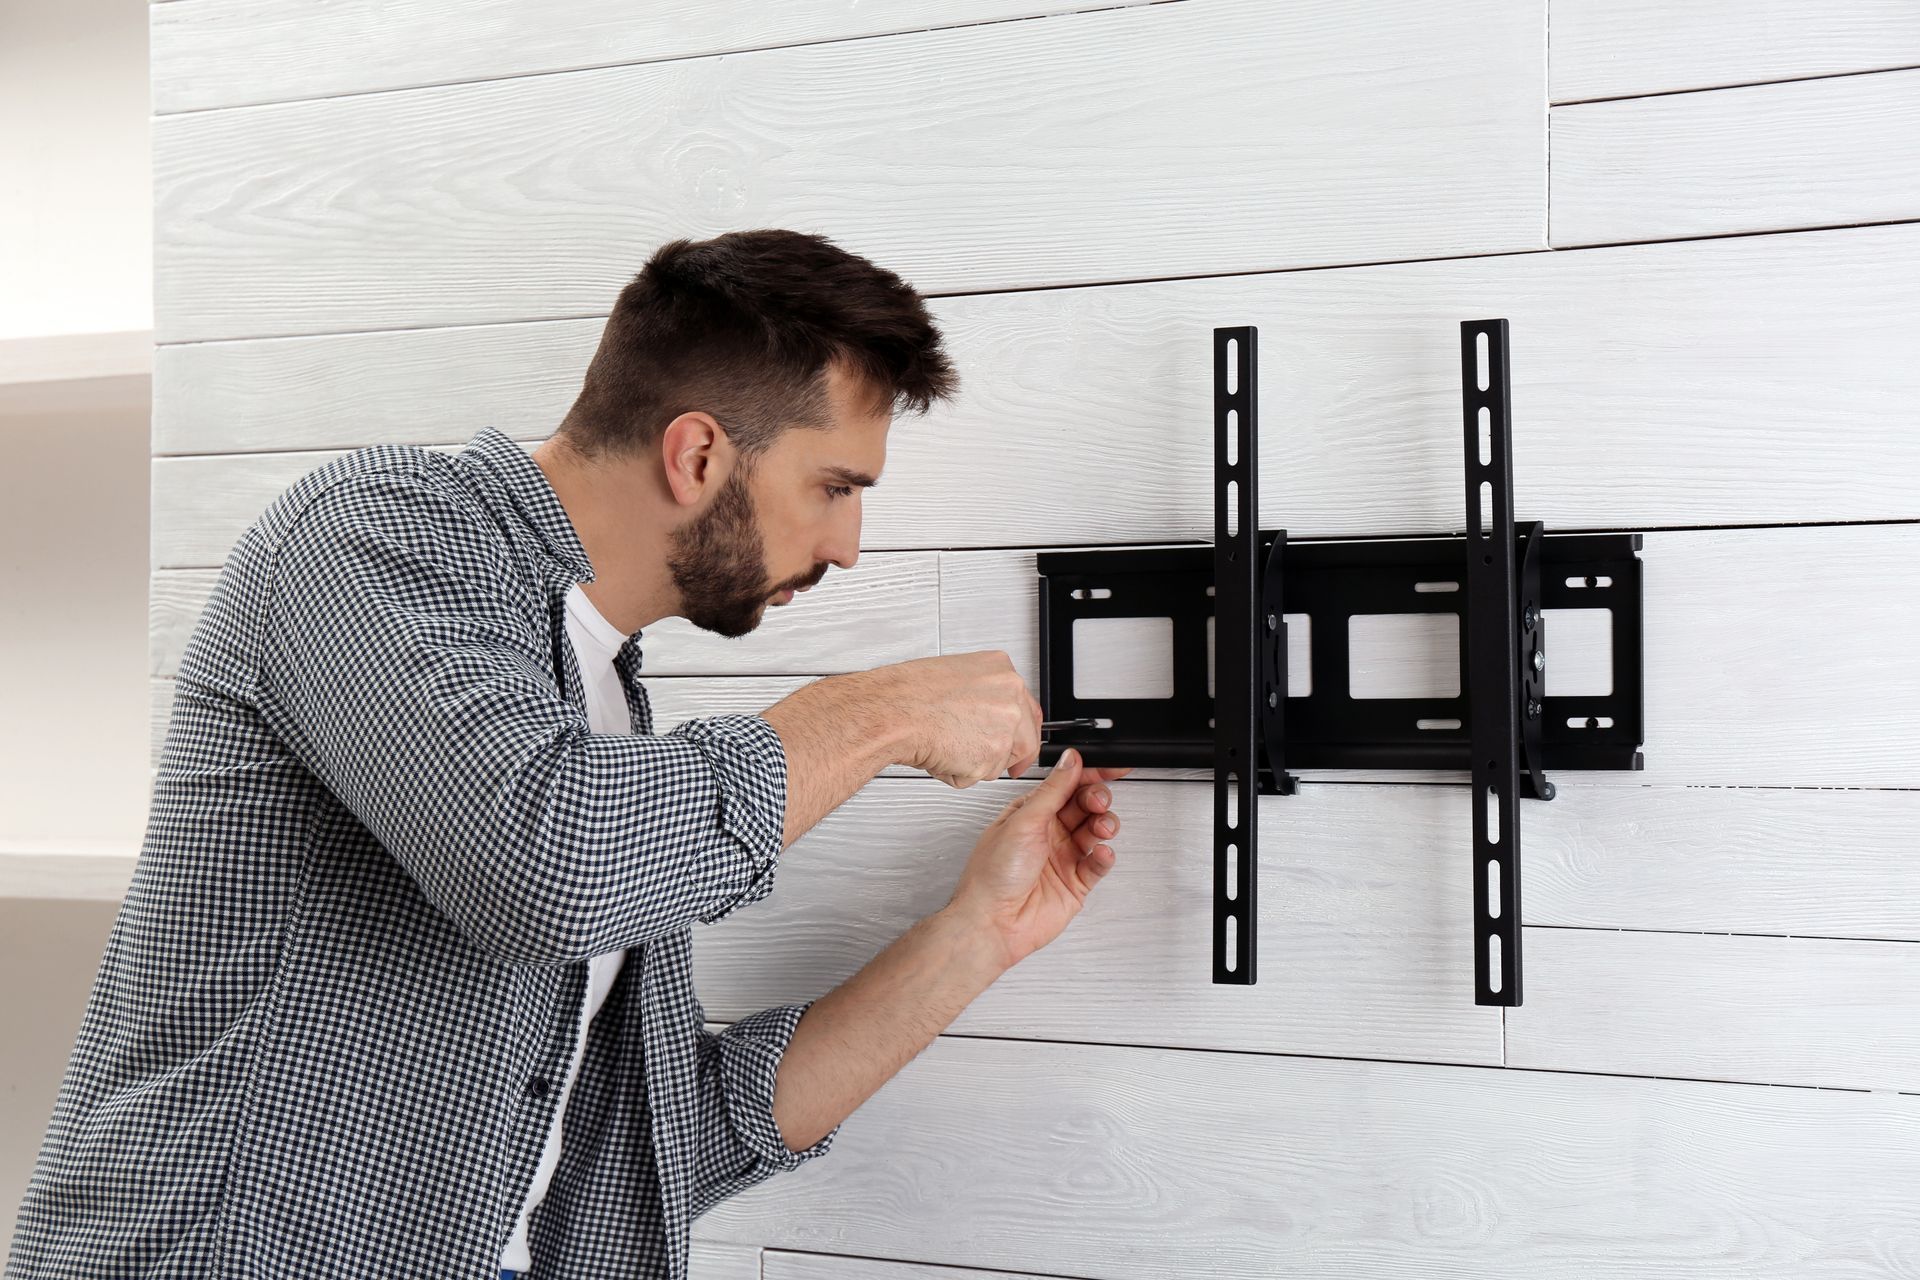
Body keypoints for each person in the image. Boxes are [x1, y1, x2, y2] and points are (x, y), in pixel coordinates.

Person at [4, 228, 1130, 1280]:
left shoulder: (604, 707)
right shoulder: (370, 534)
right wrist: (877, 711)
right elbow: (544, 859)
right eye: (834, 486)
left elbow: (647, 1150)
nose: (847, 542)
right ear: (696, 453)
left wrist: (979, 933)